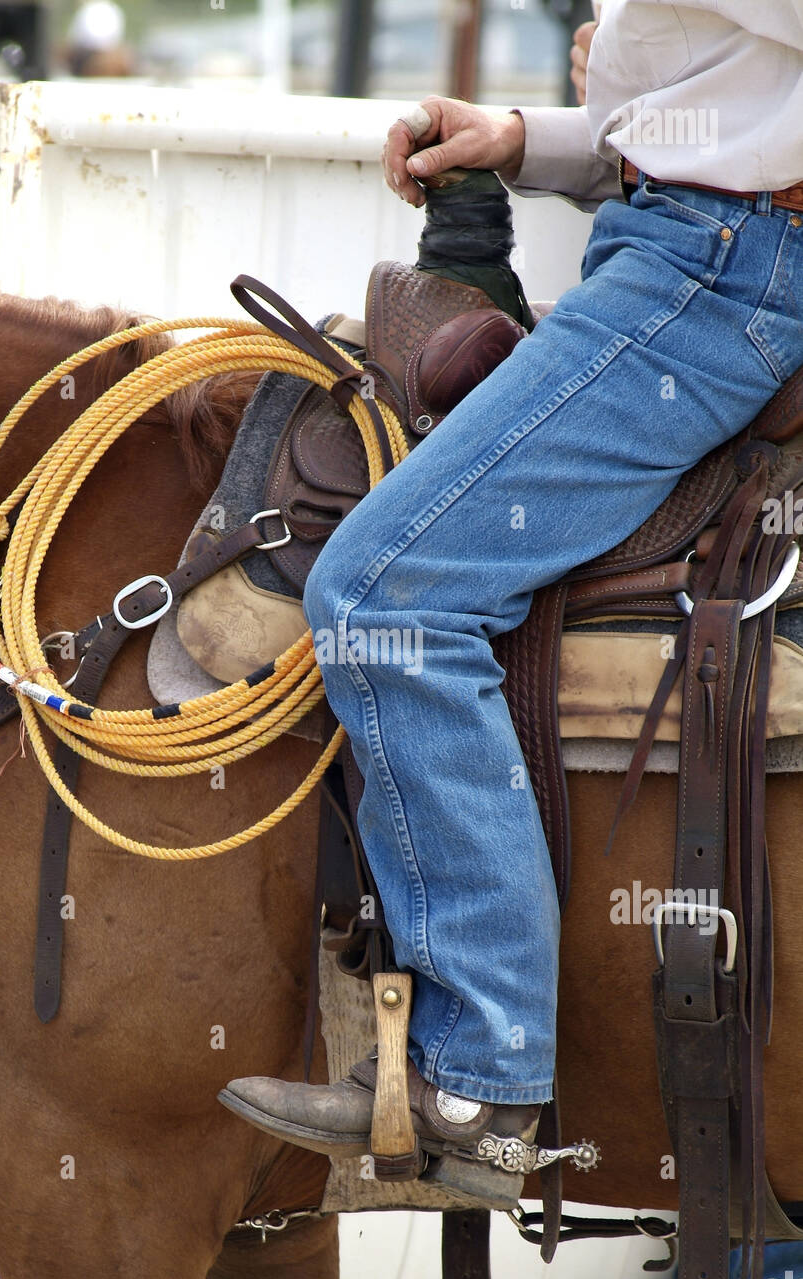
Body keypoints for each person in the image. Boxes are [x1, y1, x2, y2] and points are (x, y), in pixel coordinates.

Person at [219, 1, 803, 1207]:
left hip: (711, 276)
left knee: (389, 590)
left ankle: (479, 1077)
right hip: (688, 243)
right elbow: (733, 109)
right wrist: (529, 140)